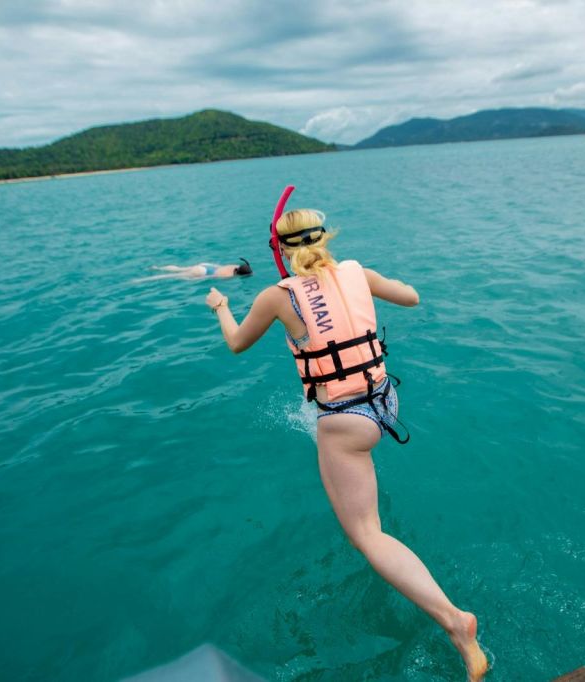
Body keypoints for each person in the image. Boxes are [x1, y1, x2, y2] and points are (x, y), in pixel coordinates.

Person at [205, 209, 488, 681]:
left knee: (367, 534)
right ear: (326, 238)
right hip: (385, 401)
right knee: (365, 492)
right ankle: (451, 618)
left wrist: (219, 307)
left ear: (281, 250)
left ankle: (456, 622)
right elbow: (412, 297)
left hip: (345, 422)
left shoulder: (276, 297)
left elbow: (236, 344)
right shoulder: (357, 271)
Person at [132, 258, 252, 283]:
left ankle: (157, 268)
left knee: (178, 269)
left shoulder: (235, 265)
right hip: (203, 272)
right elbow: (211, 277)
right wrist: (194, 279)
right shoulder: (229, 276)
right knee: (172, 277)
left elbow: (216, 266)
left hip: (205, 266)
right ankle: (142, 280)